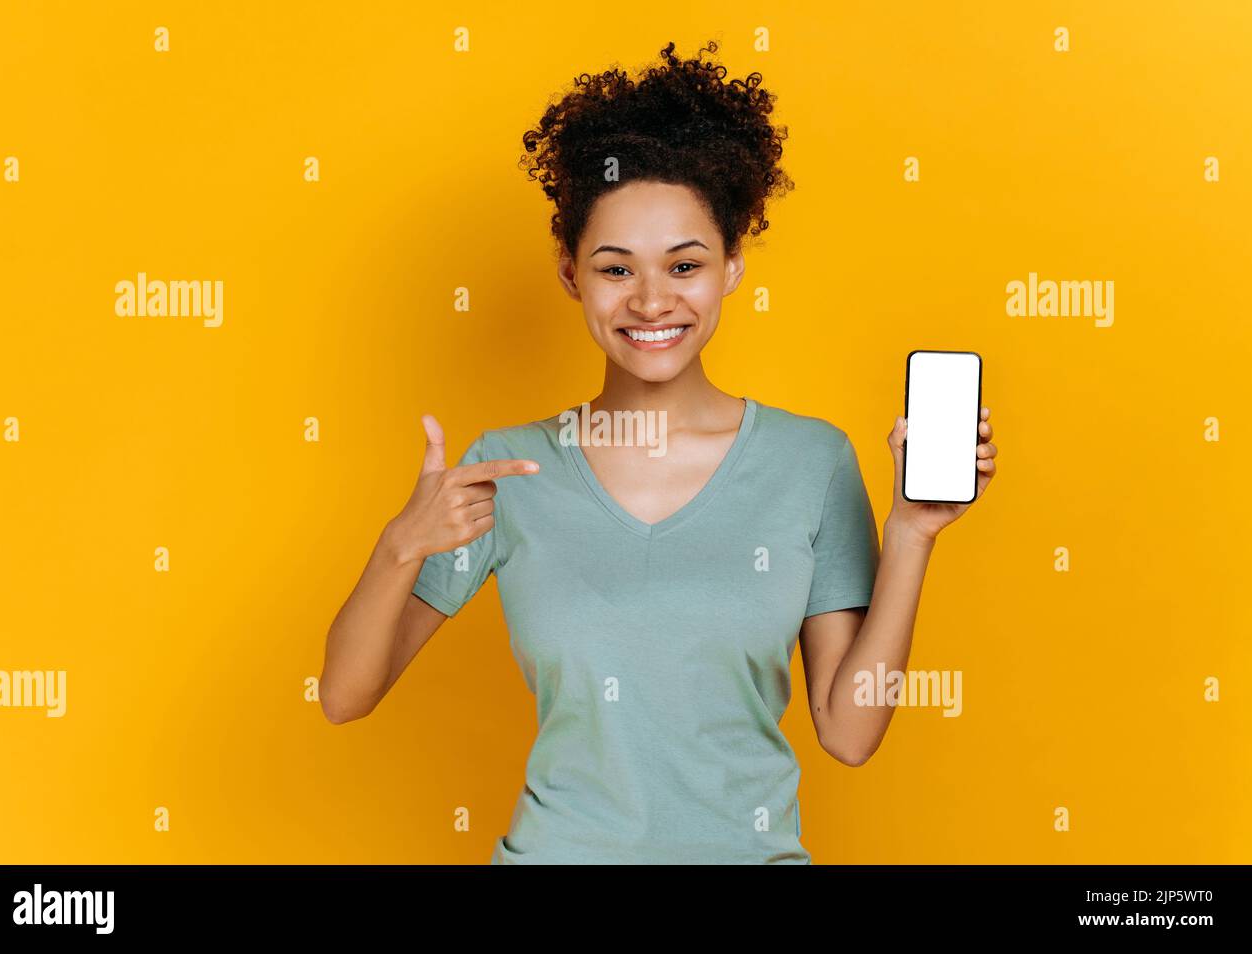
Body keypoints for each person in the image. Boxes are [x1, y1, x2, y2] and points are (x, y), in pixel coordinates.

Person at [320, 39, 999, 864]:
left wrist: (914, 534)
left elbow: (851, 732)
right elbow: (345, 696)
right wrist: (402, 543)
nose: (651, 300)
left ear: (733, 266)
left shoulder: (811, 462)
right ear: (571, 273)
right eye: (615, 269)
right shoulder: (509, 469)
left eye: (685, 265)